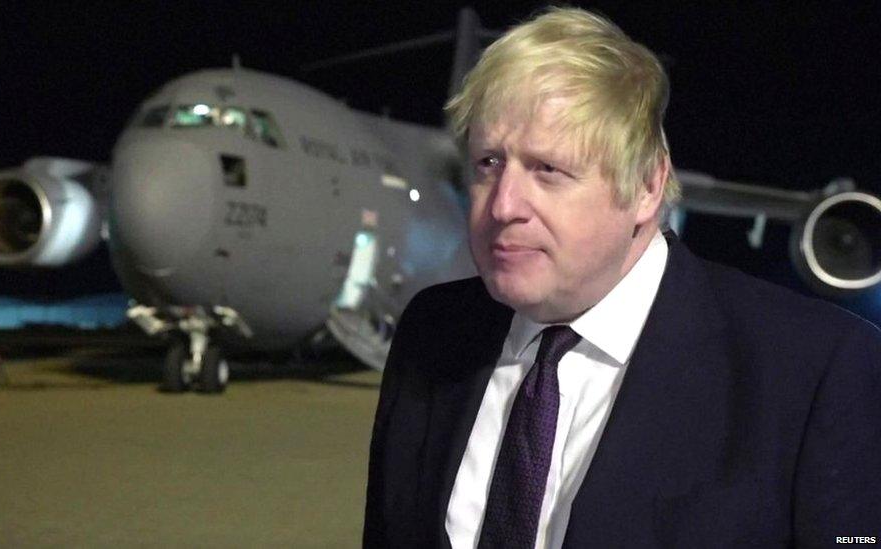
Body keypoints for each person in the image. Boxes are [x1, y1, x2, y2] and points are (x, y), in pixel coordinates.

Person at [363, 6, 881, 548]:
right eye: (488, 164)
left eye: (549, 170)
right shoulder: (432, 332)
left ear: (646, 187)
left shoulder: (815, 371)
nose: (504, 205)